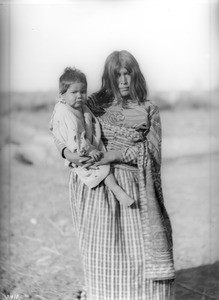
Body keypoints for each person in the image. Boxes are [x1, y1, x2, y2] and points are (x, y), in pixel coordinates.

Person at [52, 50, 175, 300]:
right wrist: (66, 152)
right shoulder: (92, 104)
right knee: (104, 253)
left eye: (127, 74)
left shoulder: (149, 108)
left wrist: (113, 155)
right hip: (97, 189)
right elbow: (62, 128)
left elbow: (151, 151)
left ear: (135, 75)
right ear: (108, 77)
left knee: (141, 255)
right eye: (116, 75)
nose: (123, 80)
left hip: (136, 186)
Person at [50, 67, 134, 206]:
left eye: (83, 92)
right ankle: (117, 190)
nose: (79, 96)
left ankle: (117, 190)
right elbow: (74, 139)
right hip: (79, 151)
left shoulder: (82, 107)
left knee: (103, 165)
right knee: (100, 168)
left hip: (88, 146)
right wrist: (89, 150)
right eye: (74, 92)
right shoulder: (64, 113)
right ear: (62, 95)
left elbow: (88, 125)